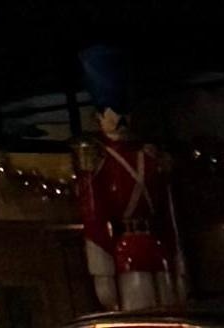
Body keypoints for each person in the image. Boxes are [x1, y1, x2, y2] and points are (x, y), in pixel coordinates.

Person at [76, 99, 180, 316]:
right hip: (128, 250)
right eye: (112, 113)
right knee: (140, 308)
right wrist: (102, 270)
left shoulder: (150, 156)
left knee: (168, 310)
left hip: (154, 246)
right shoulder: (101, 160)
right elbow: (95, 216)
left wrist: (177, 257)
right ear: (99, 118)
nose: (120, 120)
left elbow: (167, 209)